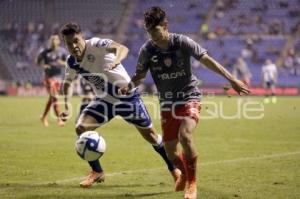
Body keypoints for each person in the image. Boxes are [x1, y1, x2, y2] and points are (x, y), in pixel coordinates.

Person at [119, 7, 250, 199]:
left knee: (185, 136)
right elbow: (140, 75)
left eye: (155, 32)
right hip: (166, 103)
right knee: (170, 151)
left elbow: (207, 60)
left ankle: (191, 183)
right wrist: (129, 86)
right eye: (149, 32)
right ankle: (183, 175)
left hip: (189, 96)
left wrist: (231, 80)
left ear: (165, 26)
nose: (152, 37)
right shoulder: (147, 50)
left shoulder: (182, 42)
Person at [59, 22, 180, 188]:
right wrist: (66, 106)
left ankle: (174, 169)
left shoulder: (96, 45)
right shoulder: (72, 62)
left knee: (151, 136)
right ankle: (97, 171)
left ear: (83, 38)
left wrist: (116, 60)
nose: (73, 46)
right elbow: (67, 83)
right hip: (105, 100)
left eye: (76, 41)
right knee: (81, 128)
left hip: (127, 98)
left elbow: (121, 49)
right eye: (69, 43)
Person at [36, 34, 66, 127]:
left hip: (58, 77)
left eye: (56, 39)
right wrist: (43, 66)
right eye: (52, 39)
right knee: (55, 96)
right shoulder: (45, 52)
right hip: (48, 77)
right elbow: (37, 61)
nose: (54, 41)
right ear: (50, 41)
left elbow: (67, 63)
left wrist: (62, 63)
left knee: (52, 98)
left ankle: (44, 117)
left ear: (58, 41)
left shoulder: (62, 52)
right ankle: (59, 119)